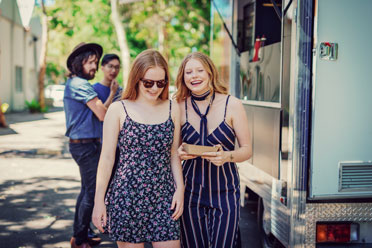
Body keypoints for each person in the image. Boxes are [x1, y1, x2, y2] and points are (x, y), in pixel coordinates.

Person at [92, 49, 184, 248]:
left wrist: (180, 189)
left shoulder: (172, 107)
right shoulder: (118, 109)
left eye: (161, 83)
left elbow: (173, 153)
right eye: (148, 83)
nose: (155, 88)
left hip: (164, 195)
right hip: (127, 196)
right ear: (136, 78)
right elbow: (107, 158)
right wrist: (99, 201)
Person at [174, 52, 252, 248]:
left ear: (210, 73)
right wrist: (180, 153)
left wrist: (228, 156)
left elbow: (247, 150)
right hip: (190, 192)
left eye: (200, 70)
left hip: (225, 191)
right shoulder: (178, 106)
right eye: (188, 72)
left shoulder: (232, 104)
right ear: (183, 77)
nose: (194, 76)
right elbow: (173, 151)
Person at [64, 42, 111, 248]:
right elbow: (103, 114)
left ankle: (81, 234)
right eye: (90, 62)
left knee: (86, 190)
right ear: (78, 63)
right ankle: (80, 238)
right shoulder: (79, 84)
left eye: (96, 62)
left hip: (87, 144)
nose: (94, 67)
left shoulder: (79, 84)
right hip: (85, 147)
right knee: (91, 192)